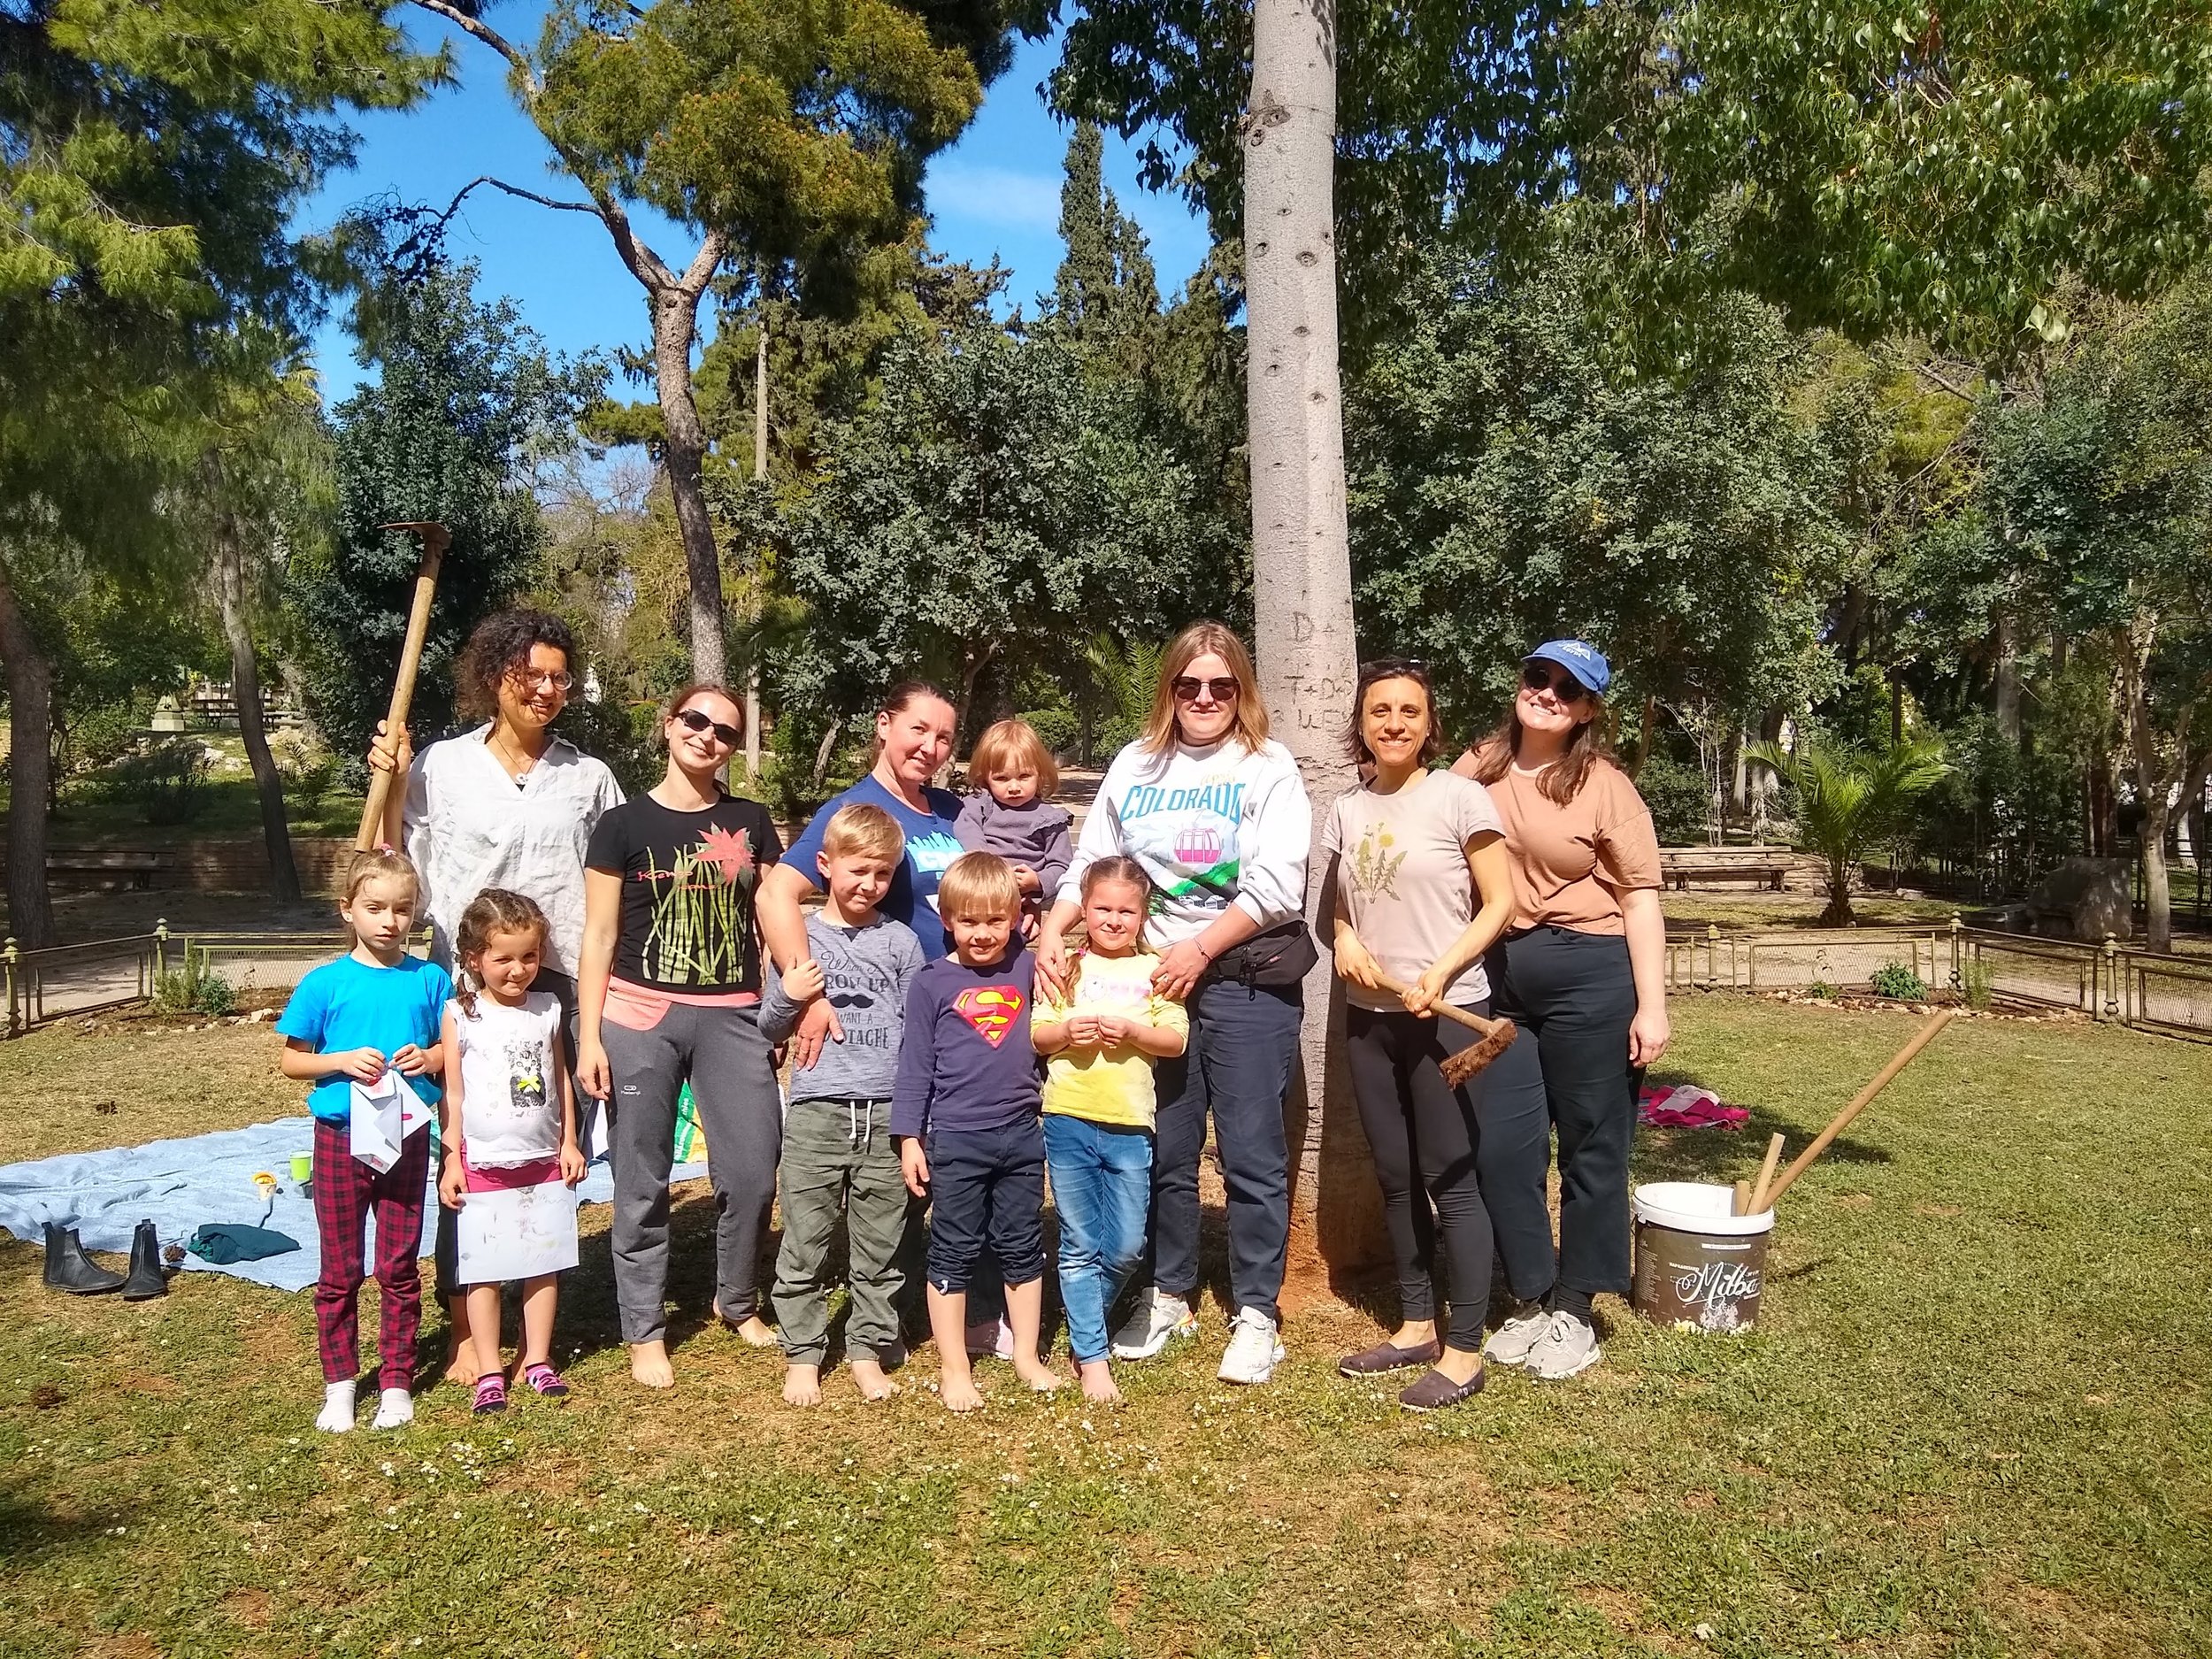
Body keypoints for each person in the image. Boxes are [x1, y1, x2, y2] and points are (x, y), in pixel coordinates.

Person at [1039, 620, 1313, 1386]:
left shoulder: (1268, 765)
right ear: (1169, 688)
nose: (1203, 697)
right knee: (1166, 1146)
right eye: (1188, 684)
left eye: (1220, 686)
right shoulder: (1137, 762)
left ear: (1241, 692)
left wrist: (1202, 947)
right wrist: (1051, 934)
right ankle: (1170, 1290)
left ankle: (1257, 1311)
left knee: (1253, 1153)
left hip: (1244, 977)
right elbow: (1093, 860)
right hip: (1151, 982)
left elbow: (1278, 882)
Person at [367, 609, 623, 1378]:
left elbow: (611, 884)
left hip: (558, 979)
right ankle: (466, 1330)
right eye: (530, 675)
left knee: (544, 1139)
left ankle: (538, 1306)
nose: (546, 689)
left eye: (558, 677)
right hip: (470, 981)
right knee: (468, 1144)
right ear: (494, 679)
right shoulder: (442, 767)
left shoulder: (589, 776)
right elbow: (392, 850)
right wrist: (389, 775)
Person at [757, 680, 1012, 1359]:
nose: (930, 747)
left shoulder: (956, 811)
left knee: (963, 1154)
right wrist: (810, 993)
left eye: (944, 736)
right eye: (918, 729)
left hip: (976, 1011)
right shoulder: (855, 811)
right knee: (908, 1160)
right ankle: (890, 1310)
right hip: (903, 1017)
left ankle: (958, 1297)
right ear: (883, 725)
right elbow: (778, 891)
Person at [1450, 640, 1668, 1380]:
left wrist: (1653, 1005)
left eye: (1566, 690)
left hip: (1591, 975)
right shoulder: (1477, 763)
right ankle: (1533, 1294)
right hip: (1500, 977)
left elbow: (1640, 897)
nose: (1545, 694)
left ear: (1587, 711)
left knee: (1591, 1145)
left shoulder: (1604, 785)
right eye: (1537, 677)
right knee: (1503, 1149)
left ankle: (1577, 1306)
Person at [1321, 660, 1516, 1411]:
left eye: (1409, 710)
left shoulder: (1460, 797)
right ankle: (1414, 1325)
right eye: (1380, 710)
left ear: (1429, 724)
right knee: (1396, 1176)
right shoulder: (1347, 809)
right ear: (1362, 723)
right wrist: (1342, 939)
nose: (1394, 722)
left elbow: (1500, 902)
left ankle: (1465, 1350)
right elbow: (1343, 906)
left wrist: (1440, 970)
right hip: (1369, 1018)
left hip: (1447, 1020)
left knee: (1450, 1179)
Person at [576, 685, 783, 1390]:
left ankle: (736, 1300)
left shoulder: (750, 820)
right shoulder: (622, 824)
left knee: (754, 1171)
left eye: (725, 731)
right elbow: (600, 934)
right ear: (669, 725)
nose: (708, 736)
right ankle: (645, 1327)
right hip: (638, 1017)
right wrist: (588, 1038)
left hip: (735, 1015)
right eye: (696, 721)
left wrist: (795, 1002)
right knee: (641, 1178)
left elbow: (773, 918)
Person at [274, 849, 450, 1433]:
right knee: (340, 1270)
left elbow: (454, 1049)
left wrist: (429, 1056)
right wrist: (341, 1060)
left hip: (406, 1136)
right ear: (348, 909)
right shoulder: (325, 984)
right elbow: (290, 1060)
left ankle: (397, 1381)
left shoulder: (429, 979)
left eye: (402, 909)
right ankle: (341, 1384)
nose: (389, 920)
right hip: (340, 1138)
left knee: (398, 1265)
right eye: (375, 907)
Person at [761, 803, 926, 1408]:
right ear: (825, 865)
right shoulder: (801, 940)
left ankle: (866, 1346)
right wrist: (789, 992)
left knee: (880, 1242)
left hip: (884, 1113)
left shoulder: (902, 942)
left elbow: (918, 1036)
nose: (869, 884)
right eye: (858, 870)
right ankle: (803, 1351)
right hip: (816, 1111)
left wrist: (915, 1119)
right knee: (805, 1237)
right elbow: (766, 1026)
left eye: (883, 874)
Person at [892, 852, 1062, 1411]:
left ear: (1017, 916)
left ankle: (1027, 1356)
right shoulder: (932, 982)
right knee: (954, 1248)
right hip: (956, 1140)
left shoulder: (1029, 969)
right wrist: (910, 1138)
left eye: (995, 920)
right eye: (969, 921)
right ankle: (954, 1365)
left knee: (1022, 1245)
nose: (983, 933)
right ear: (947, 919)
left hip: (1020, 1134)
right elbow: (914, 1065)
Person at [1032, 857, 1188, 1403]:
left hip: (1129, 1123)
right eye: (1102, 908)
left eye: (1127, 910)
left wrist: (1135, 1030)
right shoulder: (1063, 966)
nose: (1113, 919)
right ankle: (1093, 1358)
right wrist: (1066, 1031)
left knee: (1124, 1246)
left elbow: (1176, 1042)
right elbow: (1039, 1035)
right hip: (1068, 1116)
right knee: (1078, 1243)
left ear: (1144, 915)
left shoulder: (1157, 970)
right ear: (1084, 909)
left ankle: (1081, 1325)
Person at [437, 889, 587, 1415]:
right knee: (484, 1269)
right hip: (483, 1165)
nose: (518, 969)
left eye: (529, 956)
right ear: (475, 959)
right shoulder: (459, 1014)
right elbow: (452, 1094)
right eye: (503, 958)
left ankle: (539, 1360)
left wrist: (569, 1141)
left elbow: (562, 1079)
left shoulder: (549, 1008)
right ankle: (490, 1369)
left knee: (542, 1263)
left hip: (545, 1161)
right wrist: (452, 1158)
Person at [954, 718, 1074, 933]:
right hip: (980, 892)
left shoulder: (1050, 818)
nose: (1014, 787)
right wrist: (990, 866)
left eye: (1024, 776)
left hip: (1021, 904)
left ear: (1040, 773)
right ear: (985, 778)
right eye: (1002, 778)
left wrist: (1037, 881)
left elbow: (1063, 866)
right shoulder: (981, 805)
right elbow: (967, 831)